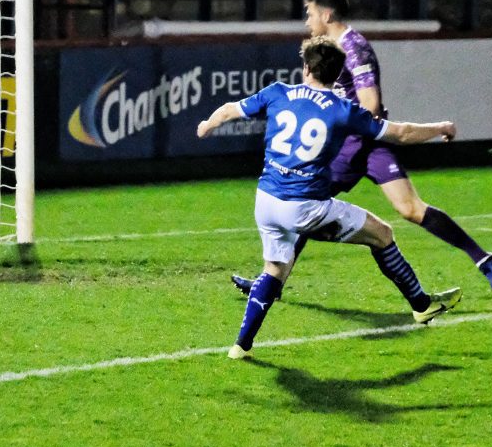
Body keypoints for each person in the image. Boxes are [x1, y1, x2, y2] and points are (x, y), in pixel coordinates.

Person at [197, 36, 461, 359]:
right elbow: (402, 134)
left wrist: (206, 126)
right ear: (337, 75)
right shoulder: (343, 110)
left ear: (306, 68)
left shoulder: (278, 92)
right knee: (382, 234)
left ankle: (241, 345)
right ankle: (422, 305)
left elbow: (228, 110)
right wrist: (441, 127)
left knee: (275, 270)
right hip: (305, 208)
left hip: (265, 201)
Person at [232, 0, 492, 297]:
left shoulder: (354, 48)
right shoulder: (328, 49)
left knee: (410, 209)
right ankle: (272, 283)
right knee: (305, 203)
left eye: (310, 14)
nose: (307, 21)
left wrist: (335, 124)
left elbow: (370, 105)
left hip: (364, 144)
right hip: (348, 144)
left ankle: (485, 261)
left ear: (326, 14)